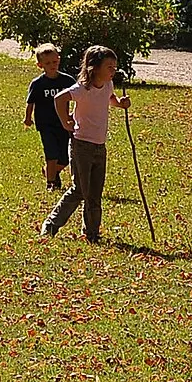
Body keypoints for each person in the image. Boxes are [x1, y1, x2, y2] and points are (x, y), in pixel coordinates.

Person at [41, 45, 130, 242]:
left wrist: (120, 103)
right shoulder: (83, 89)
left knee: (95, 191)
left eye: (114, 67)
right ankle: (51, 224)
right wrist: (66, 121)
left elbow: (110, 99)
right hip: (81, 144)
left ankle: (91, 233)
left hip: (100, 145)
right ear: (94, 68)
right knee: (80, 189)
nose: (113, 71)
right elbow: (60, 98)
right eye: (109, 67)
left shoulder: (107, 85)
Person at [23, 43, 71, 190]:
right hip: (46, 125)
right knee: (51, 154)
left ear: (59, 60)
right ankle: (51, 183)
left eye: (54, 62)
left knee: (65, 158)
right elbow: (30, 102)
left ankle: (50, 171)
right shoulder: (38, 84)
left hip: (63, 123)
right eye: (48, 63)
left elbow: (79, 96)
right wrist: (28, 117)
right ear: (40, 65)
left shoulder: (67, 81)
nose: (52, 65)